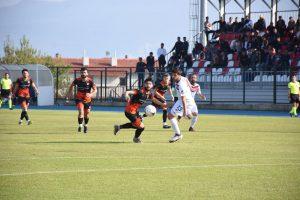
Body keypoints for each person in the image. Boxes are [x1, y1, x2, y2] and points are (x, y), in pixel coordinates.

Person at [113, 78, 167, 143]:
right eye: (147, 83)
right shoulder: (140, 91)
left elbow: (153, 100)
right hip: (129, 111)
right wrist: (127, 95)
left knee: (137, 124)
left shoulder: (149, 93)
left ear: (152, 85)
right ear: (144, 84)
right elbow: (129, 92)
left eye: (150, 84)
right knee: (141, 127)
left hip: (135, 111)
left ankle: (118, 127)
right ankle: (136, 139)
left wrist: (162, 104)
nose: (148, 85)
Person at [168, 68, 197, 143]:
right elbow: (191, 87)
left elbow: (183, 99)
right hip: (185, 100)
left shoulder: (181, 85)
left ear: (178, 75)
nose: (173, 77)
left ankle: (178, 134)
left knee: (170, 116)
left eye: (175, 75)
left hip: (185, 101)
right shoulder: (184, 78)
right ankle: (188, 114)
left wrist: (184, 111)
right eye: (172, 75)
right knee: (171, 115)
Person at [67, 67, 97, 133]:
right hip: (79, 99)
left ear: (87, 73)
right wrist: (70, 94)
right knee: (81, 112)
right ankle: (80, 126)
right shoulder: (77, 80)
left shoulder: (90, 81)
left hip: (88, 100)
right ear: (80, 73)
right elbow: (71, 86)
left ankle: (85, 125)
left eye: (84, 72)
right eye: (82, 72)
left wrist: (91, 94)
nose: (83, 74)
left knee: (87, 114)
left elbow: (95, 90)